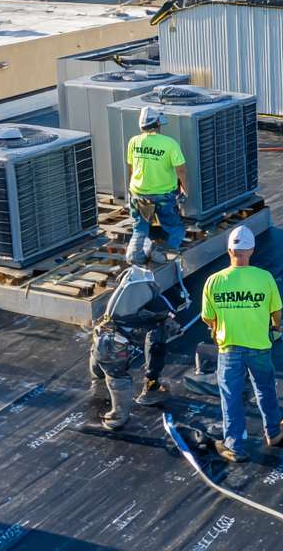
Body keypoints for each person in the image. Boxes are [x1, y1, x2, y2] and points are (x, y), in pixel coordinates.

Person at [201, 225, 283, 462]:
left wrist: (219, 325)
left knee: (230, 397)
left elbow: (208, 317)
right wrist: (276, 328)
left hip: (228, 348)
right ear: (251, 249)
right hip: (259, 346)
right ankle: (273, 431)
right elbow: (276, 311)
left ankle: (234, 446)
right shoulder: (264, 278)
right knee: (264, 388)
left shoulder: (214, 281)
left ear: (229, 249)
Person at [88, 267, 176, 429]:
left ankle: (99, 391)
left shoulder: (121, 300)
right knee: (117, 379)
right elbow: (161, 325)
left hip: (102, 338)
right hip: (112, 346)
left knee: (99, 366)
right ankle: (118, 416)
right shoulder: (144, 304)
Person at [126, 106, 188, 265]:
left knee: (140, 228)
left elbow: (131, 167)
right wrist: (185, 190)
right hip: (163, 195)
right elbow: (180, 170)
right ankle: (160, 252)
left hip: (138, 194)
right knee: (176, 229)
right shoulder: (169, 144)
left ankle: (134, 256)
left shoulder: (134, 141)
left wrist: (132, 189)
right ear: (158, 124)